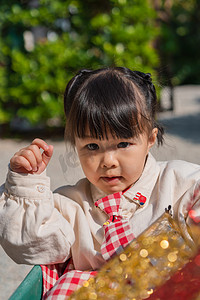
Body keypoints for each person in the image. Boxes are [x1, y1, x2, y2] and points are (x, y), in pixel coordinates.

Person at [0, 67, 200, 298]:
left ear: (150, 139)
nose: (108, 161)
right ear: (77, 145)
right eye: (92, 147)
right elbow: (32, 246)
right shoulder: (70, 204)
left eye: (123, 144)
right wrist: (25, 184)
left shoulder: (177, 184)